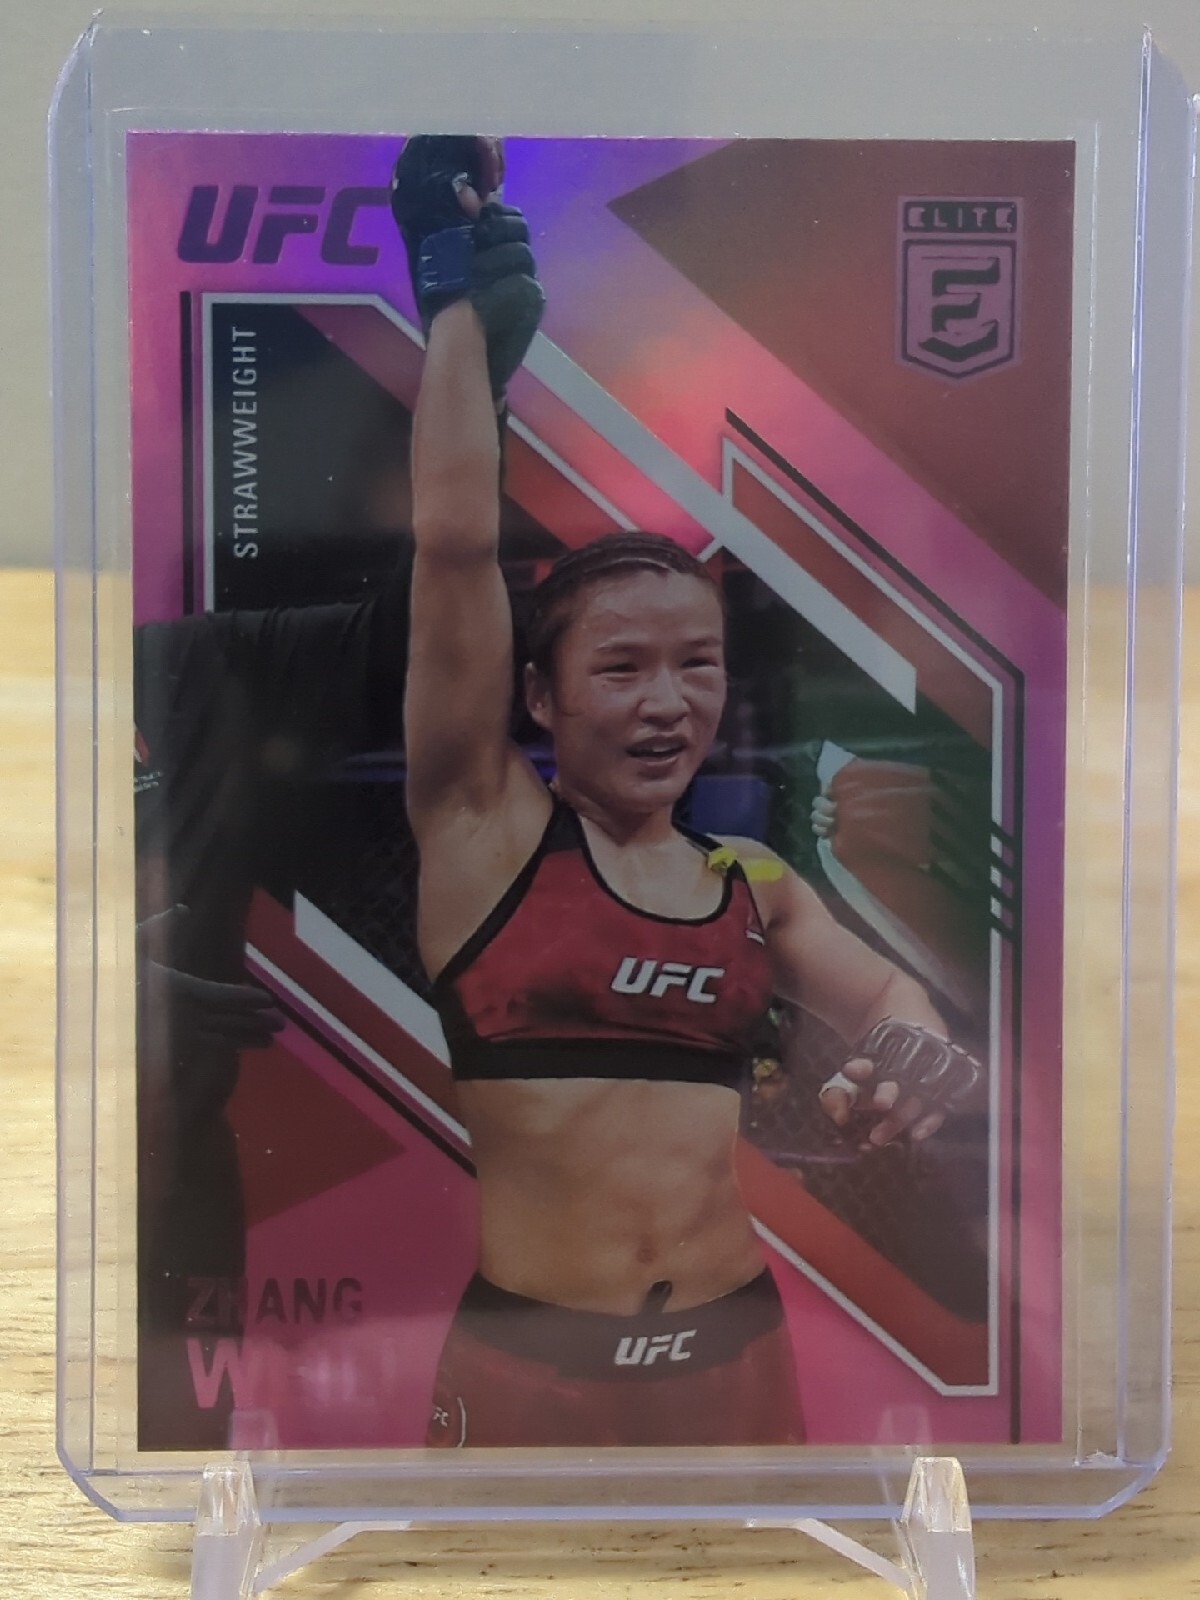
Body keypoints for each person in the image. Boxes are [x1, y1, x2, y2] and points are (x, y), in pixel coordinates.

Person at [393, 136, 984, 1449]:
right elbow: (452, 545)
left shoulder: (752, 885)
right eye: (621, 669)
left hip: (736, 1351)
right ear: (539, 696)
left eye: (696, 667)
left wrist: (912, 1058)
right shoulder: (483, 831)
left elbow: (896, 1001)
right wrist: (453, 315)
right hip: (526, 1370)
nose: (667, 703)